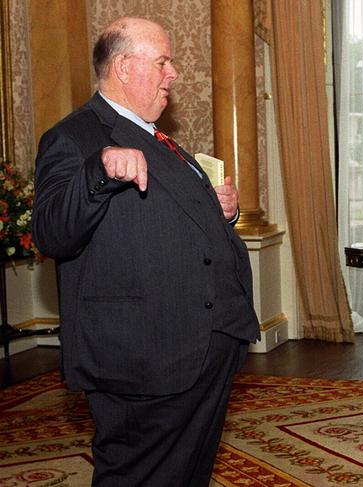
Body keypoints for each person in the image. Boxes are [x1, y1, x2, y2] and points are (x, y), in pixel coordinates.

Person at [32, 17, 260, 486]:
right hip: (144, 355)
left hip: (202, 342)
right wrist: (98, 173)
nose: (172, 73)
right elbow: (51, 232)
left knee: (186, 472)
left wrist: (223, 212)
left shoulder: (161, 138)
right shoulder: (75, 137)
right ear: (122, 67)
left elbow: (171, 221)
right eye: (162, 61)